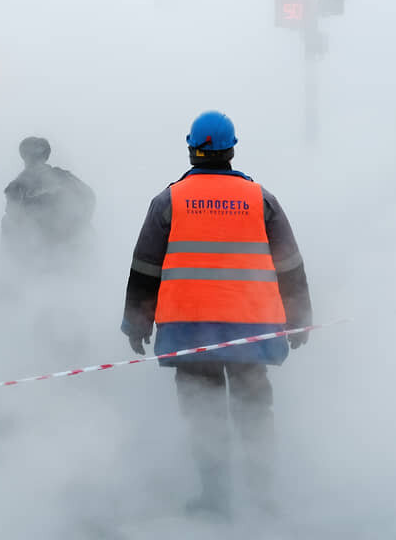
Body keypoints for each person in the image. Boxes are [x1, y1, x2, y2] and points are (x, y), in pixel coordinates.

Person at [121, 111, 313, 519]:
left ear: (192, 148)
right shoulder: (261, 199)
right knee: (254, 411)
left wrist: (136, 323)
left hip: (190, 330)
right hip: (252, 327)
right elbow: (289, 264)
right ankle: (263, 498)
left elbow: (145, 267)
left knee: (203, 415)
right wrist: (298, 317)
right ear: (231, 149)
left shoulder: (168, 201)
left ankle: (215, 499)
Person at [0, 136, 96, 286]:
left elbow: (11, 229)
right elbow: (89, 198)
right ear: (46, 155)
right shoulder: (66, 178)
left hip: (39, 262)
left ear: (23, 156)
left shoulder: (17, 186)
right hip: (66, 259)